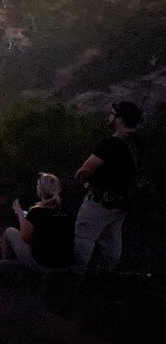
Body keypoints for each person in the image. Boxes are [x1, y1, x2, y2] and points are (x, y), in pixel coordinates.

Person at [73, 101, 144, 273]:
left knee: (84, 237)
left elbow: (85, 170)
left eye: (112, 114)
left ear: (119, 119)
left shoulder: (111, 144)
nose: (109, 117)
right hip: (122, 202)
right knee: (112, 239)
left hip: (101, 201)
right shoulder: (138, 143)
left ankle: (76, 274)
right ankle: (107, 273)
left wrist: (78, 180)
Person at [3, 173, 75, 271]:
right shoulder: (67, 212)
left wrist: (19, 212)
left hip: (42, 264)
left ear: (40, 190)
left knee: (9, 231)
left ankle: (7, 268)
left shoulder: (37, 213)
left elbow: (25, 237)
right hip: (64, 264)